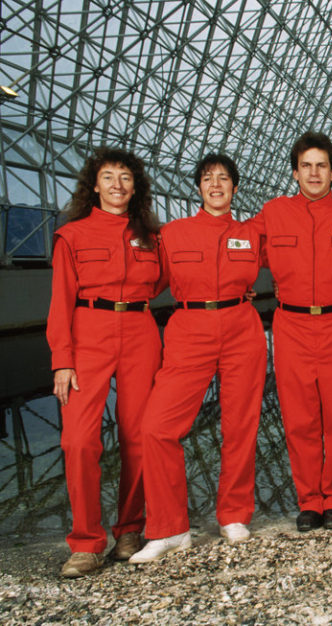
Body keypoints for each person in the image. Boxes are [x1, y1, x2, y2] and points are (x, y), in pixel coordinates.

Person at [129, 154, 266, 563]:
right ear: (199, 187)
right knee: (157, 427)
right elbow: (145, 283)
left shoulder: (253, 233)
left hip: (242, 325)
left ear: (235, 188)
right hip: (189, 328)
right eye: (208, 179)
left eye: (224, 178)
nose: (217, 184)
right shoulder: (172, 235)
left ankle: (234, 515)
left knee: (240, 424)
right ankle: (170, 528)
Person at [47, 147, 163, 577]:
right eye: (109, 176)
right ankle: (86, 542)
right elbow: (60, 301)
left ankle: (130, 530)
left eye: (126, 177)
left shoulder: (151, 236)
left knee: (137, 436)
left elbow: (170, 277)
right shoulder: (72, 236)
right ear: (94, 185)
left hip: (140, 333)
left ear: (136, 187)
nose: (117, 185)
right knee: (78, 440)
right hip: (87, 334)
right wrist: (62, 359)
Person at [250, 132, 332, 531]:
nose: (314, 173)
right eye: (306, 166)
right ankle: (309, 500)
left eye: (322, 166)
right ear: (295, 172)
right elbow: (236, 241)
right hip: (292, 324)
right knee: (299, 418)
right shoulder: (273, 213)